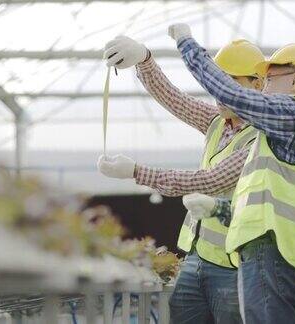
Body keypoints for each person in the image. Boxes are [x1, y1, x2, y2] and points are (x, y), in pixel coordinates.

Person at [168, 23, 295, 324]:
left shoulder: (291, 113)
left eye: (270, 79)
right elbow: (276, 200)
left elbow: (232, 94)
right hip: (291, 258)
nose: (264, 86)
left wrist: (186, 44)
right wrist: (219, 208)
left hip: (273, 255)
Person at [98, 35, 265, 324]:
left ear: (257, 84)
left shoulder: (261, 138)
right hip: (196, 258)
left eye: (232, 83)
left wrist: (137, 172)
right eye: (217, 83)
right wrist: (144, 59)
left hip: (232, 265)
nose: (221, 93)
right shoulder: (218, 122)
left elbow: (211, 181)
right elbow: (176, 100)